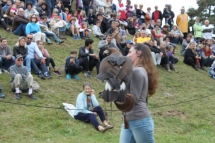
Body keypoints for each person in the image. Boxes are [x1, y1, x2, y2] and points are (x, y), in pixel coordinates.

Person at [120, 44, 158, 143]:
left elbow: (133, 98)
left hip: (139, 120)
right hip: (129, 119)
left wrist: (115, 97)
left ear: (139, 53)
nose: (128, 55)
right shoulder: (138, 70)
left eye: (130, 52)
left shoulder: (137, 71)